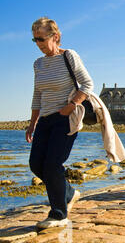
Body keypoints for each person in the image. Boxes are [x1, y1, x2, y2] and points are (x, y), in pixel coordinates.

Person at [26, 17, 93, 229]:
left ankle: (58, 214)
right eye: (35, 39)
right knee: (36, 164)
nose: (38, 43)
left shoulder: (69, 56)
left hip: (65, 118)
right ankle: (70, 193)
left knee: (53, 164)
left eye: (41, 38)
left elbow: (88, 84)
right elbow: (37, 94)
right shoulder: (38, 64)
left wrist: (71, 105)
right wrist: (32, 123)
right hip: (45, 120)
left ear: (56, 37)